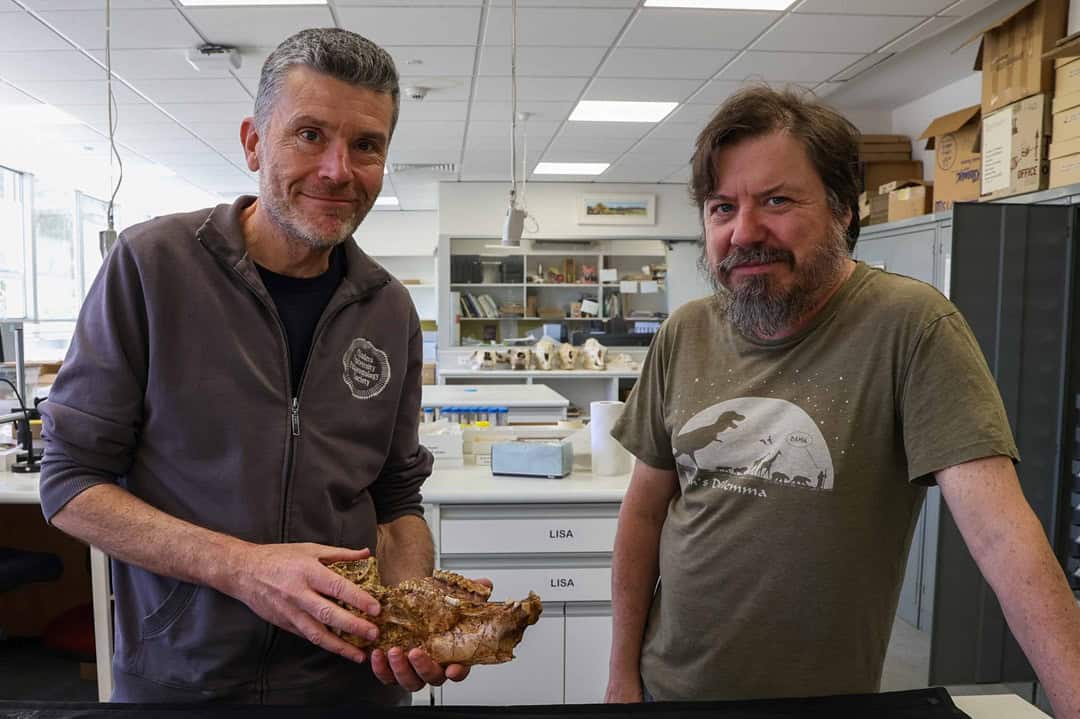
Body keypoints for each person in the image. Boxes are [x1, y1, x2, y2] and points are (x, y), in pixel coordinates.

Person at [604, 86, 1080, 715]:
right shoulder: (685, 331)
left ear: (842, 212)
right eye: (722, 208)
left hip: (823, 698)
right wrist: (620, 674)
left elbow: (1000, 535)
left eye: (776, 200)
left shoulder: (911, 327)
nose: (744, 232)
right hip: (669, 688)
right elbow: (643, 515)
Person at [39, 28, 469, 704]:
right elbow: (70, 482)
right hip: (183, 679)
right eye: (308, 135)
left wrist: (409, 612)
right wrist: (241, 568)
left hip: (350, 683)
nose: (337, 169)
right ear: (252, 142)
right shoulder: (151, 267)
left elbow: (396, 498)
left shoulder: (389, 309)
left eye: (366, 145)